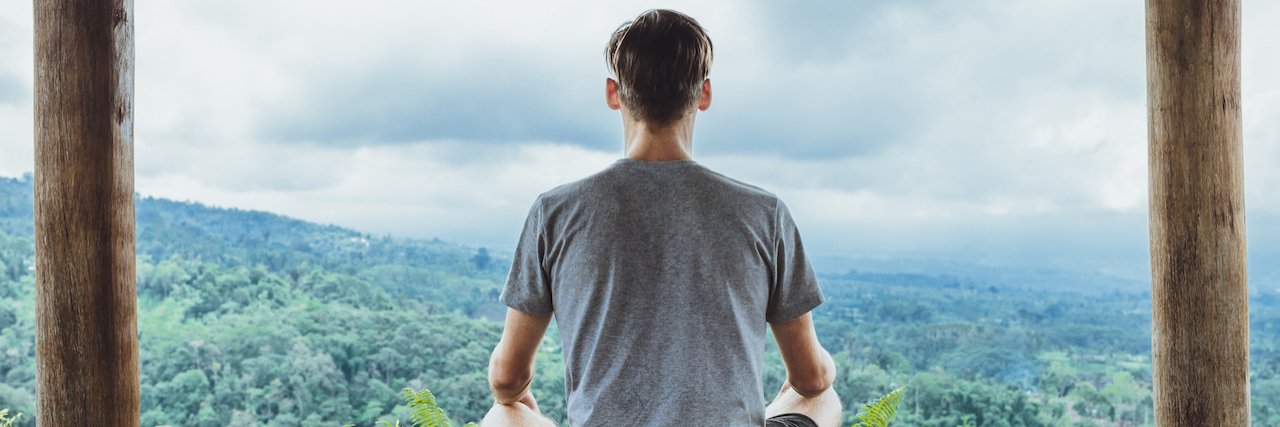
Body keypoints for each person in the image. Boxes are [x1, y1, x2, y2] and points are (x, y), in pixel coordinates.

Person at [482, 9, 841, 427]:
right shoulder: (765, 213)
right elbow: (811, 379)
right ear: (703, 94)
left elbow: (506, 379)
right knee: (823, 401)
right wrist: (818, 374)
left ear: (613, 93)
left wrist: (523, 403)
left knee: (502, 415)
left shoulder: (555, 213)